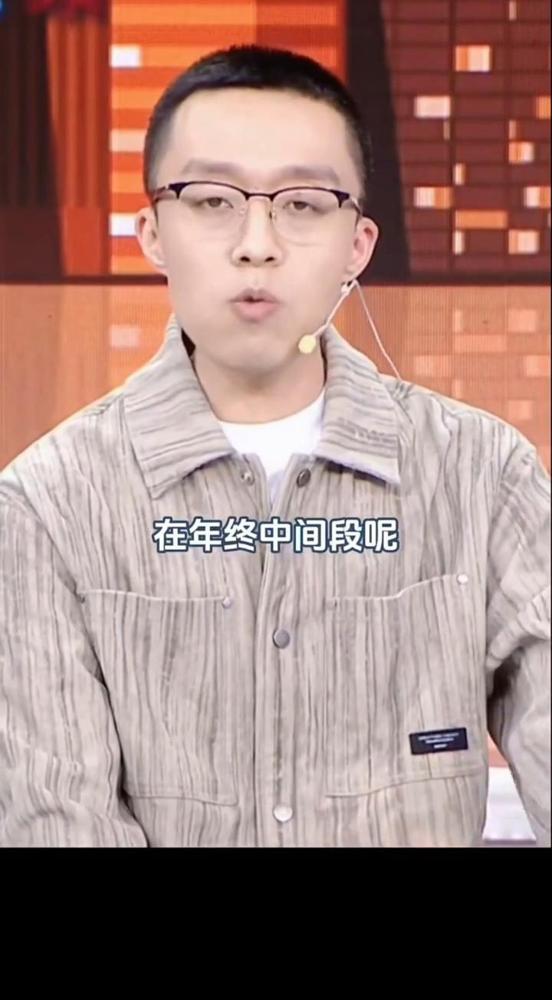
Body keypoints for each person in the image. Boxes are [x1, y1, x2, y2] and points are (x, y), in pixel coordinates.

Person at [0, 44, 549, 848]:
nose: (257, 243)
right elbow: (56, 820)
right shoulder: (47, 506)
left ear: (358, 245)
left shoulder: (483, 475)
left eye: (302, 204)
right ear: (153, 233)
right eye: (212, 200)